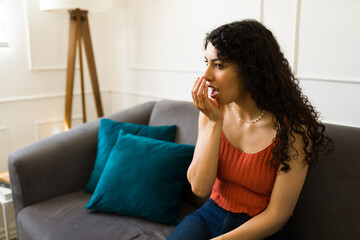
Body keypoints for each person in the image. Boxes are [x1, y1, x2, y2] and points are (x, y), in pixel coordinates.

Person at [168, 19, 333, 240]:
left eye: (218, 65)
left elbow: (277, 215)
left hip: (262, 230)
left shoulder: (294, 129)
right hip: (211, 216)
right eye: (206, 62)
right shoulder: (212, 111)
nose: (206, 76)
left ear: (250, 70)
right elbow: (199, 187)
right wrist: (215, 124)